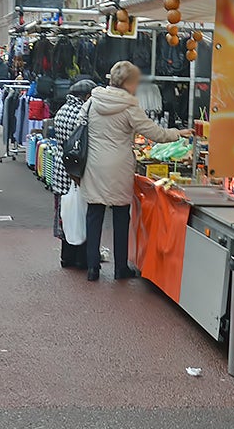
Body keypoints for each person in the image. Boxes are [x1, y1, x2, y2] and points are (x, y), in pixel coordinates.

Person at [81, 60, 189, 281]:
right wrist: (178, 133)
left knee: (94, 213)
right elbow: (153, 132)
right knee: (121, 215)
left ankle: (92, 267)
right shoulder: (129, 105)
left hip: (93, 163)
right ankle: (121, 267)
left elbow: (81, 124)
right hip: (119, 165)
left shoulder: (93, 100)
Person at [50, 79, 96, 268]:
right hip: (76, 172)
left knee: (65, 214)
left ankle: (66, 256)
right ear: (86, 96)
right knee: (80, 214)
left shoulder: (62, 110)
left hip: (61, 169)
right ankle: (80, 258)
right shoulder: (82, 113)